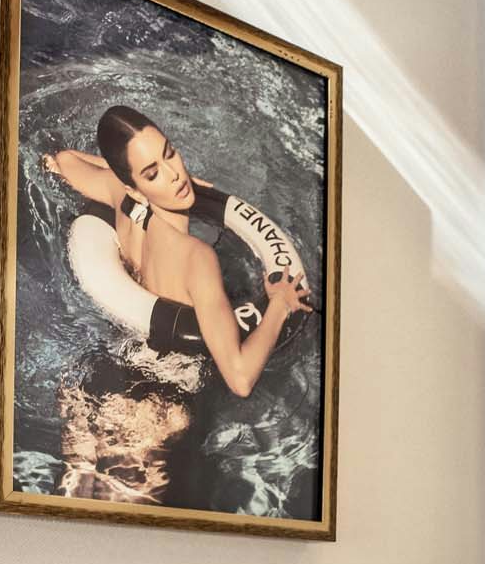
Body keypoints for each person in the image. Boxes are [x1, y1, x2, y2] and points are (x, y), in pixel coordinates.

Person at [43, 105, 310, 399]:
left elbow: (66, 160)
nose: (175, 175)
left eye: (169, 154)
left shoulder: (122, 198)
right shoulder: (196, 257)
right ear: (134, 187)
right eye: (153, 173)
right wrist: (280, 304)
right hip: (160, 407)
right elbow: (240, 378)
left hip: (98, 379)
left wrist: (137, 179)